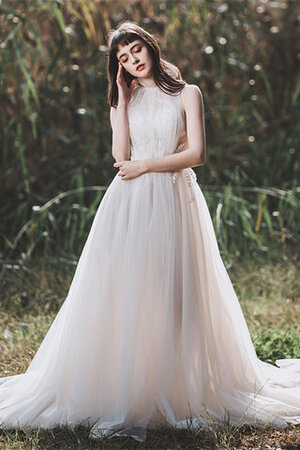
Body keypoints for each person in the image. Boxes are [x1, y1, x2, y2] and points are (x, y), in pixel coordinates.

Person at [0, 20, 299, 444]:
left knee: (175, 291)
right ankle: (130, 381)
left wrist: (146, 166)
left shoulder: (186, 93)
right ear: (118, 66)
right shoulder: (123, 98)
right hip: (129, 205)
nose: (132, 60)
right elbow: (120, 155)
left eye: (136, 50)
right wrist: (121, 102)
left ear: (151, 48)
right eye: (122, 57)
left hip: (175, 199)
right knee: (127, 290)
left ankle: (178, 384)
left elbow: (195, 154)